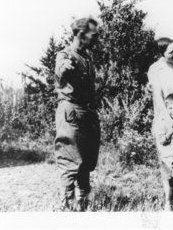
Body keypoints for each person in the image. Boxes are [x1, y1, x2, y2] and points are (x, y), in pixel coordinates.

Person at [54, 17, 101, 211]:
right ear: (82, 34)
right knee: (69, 158)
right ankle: (67, 205)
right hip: (71, 111)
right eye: (94, 34)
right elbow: (60, 69)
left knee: (86, 159)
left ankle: (83, 203)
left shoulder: (87, 57)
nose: (97, 38)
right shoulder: (65, 55)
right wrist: (63, 68)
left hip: (86, 112)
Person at [147, 37, 173, 136]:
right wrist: (168, 119)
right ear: (161, 54)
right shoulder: (155, 69)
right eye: (171, 52)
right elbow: (157, 96)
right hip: (163, 120)